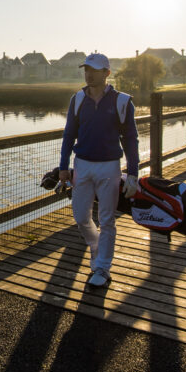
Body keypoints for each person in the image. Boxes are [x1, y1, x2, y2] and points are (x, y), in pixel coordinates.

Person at [58, 53, 139, 289]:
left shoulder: (122, 102)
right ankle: (95, 246)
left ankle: (102, 268)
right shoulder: (78, 99)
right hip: (81, 165)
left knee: (106, 219)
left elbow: (131, 139)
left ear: (107, 73)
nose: (88, 73)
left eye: (94, 69)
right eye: (86, 69)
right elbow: (68, 134)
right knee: (81, 217)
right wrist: (64, 165)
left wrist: (133, 173)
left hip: (109, 167)